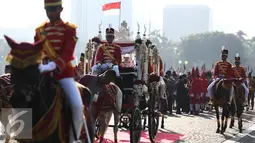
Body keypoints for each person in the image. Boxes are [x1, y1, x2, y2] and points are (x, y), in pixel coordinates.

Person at [34, 0, 84, 142]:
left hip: (63, 74)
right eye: (48, 10)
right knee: (23, 96)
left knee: (77, 106)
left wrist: (53, 65)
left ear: (61, 9)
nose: (50, 13)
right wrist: (38, 64)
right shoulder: (39, 30)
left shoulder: (69, 29)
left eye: (54, 9)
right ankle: (20, 134)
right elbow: (36, 50)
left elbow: (68, 52)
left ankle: (74, 139)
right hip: (42, 72)